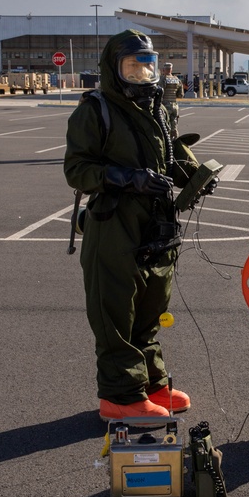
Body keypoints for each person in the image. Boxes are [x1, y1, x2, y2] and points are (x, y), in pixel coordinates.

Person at [64, 29, 208, 422]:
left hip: (156, 221)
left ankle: (151, 383)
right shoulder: (96, 110)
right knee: (116, 313)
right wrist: (128, 178)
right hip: (115, 223)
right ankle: (121, 395)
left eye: (147, 66)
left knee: (150, 306)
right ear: (114, 69)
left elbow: (169, 148)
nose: (142, 75)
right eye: (132, 67)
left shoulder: (157, 108)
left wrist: (191, 172)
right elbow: (77, 170)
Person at [160, 62, 184, 138]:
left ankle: (167, 141)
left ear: (164, 70)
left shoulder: (163, 79)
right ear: (171, 69)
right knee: (174, 124)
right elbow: (180, 95)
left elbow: (160, 91)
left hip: (165, 105)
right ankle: (175, 140)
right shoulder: (177, 79)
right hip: (175, 105)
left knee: (164, 125)